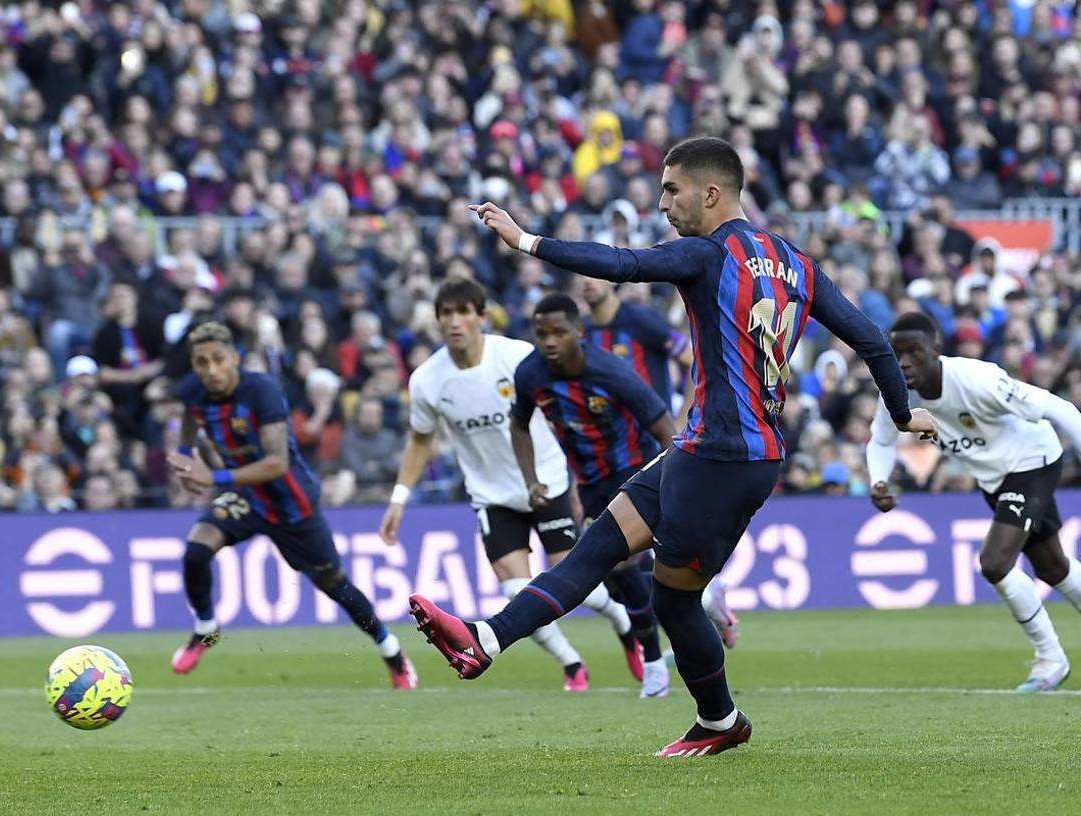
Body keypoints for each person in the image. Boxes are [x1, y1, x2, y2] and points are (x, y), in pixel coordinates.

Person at [409, 136, 935, 757]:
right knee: (601, 544)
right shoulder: (795, 262)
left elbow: (623, 265)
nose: (663, 202)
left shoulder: (709, 254)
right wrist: (902, 413)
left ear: (710, 194)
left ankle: (720, 720)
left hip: (724, 456)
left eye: (671, 189)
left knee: (672, 595)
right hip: (719, 449)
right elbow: (874, 340)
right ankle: (486, 638)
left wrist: (527, 242)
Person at [380, 278, 637, 693]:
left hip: (546, 483)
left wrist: (579, 473)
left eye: (464, 311)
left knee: (577, 585)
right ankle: (572, 663)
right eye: (446, 313)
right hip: (492, 496)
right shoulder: (427, 380)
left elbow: (561, 409)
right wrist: (399, 499)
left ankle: (624, 622)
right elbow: (420, 440)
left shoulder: (518, 358)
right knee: (518, 590)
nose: (454, 322)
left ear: (482, 316)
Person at [511, 293, 739, 699]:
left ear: (579, 334)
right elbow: (519, 425)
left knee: (621, 567)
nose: (549, 341)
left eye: (559, 332)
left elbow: (661, 424)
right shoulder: (529, 375)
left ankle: (653, 666)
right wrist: (531, 479)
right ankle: (705, 598)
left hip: (636, 470)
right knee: (633, 574)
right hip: (590, 480)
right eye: (541, 333)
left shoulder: (611, 372)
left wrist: (677, 481)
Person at [168, 322, 416, 689]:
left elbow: (276, 463)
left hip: (291, 504)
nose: (211, 370)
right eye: (201, 362)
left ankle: (392, 650)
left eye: (218, 360)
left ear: (235, 358)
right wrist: (187, 455)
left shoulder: (261, 392)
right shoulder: (193, 390)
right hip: (247, 497)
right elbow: (191, 415)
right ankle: (205, 628)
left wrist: (214, 479)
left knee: (333, 582)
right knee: (195, 550)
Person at [867, 311, 1081, 692]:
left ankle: (1050, 657)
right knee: (1053, 568)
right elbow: (881, 439)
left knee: (995, 562)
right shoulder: (897, 394)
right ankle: (1052, 658)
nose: (903, 361)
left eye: (914, 351)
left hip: (1033, 462)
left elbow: (1058, 408)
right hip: (994, 478)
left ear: (936, 348)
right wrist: (879, 480)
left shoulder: (978, 379)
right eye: (896, 353)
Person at [580, 277, 694, 413]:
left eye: (593, 272)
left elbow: (693, 362)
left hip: (656, 432)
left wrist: (683, 420)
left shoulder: (642, 320)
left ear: (612, 279)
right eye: (581, 274)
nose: (587, 280)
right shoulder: (580, 332)